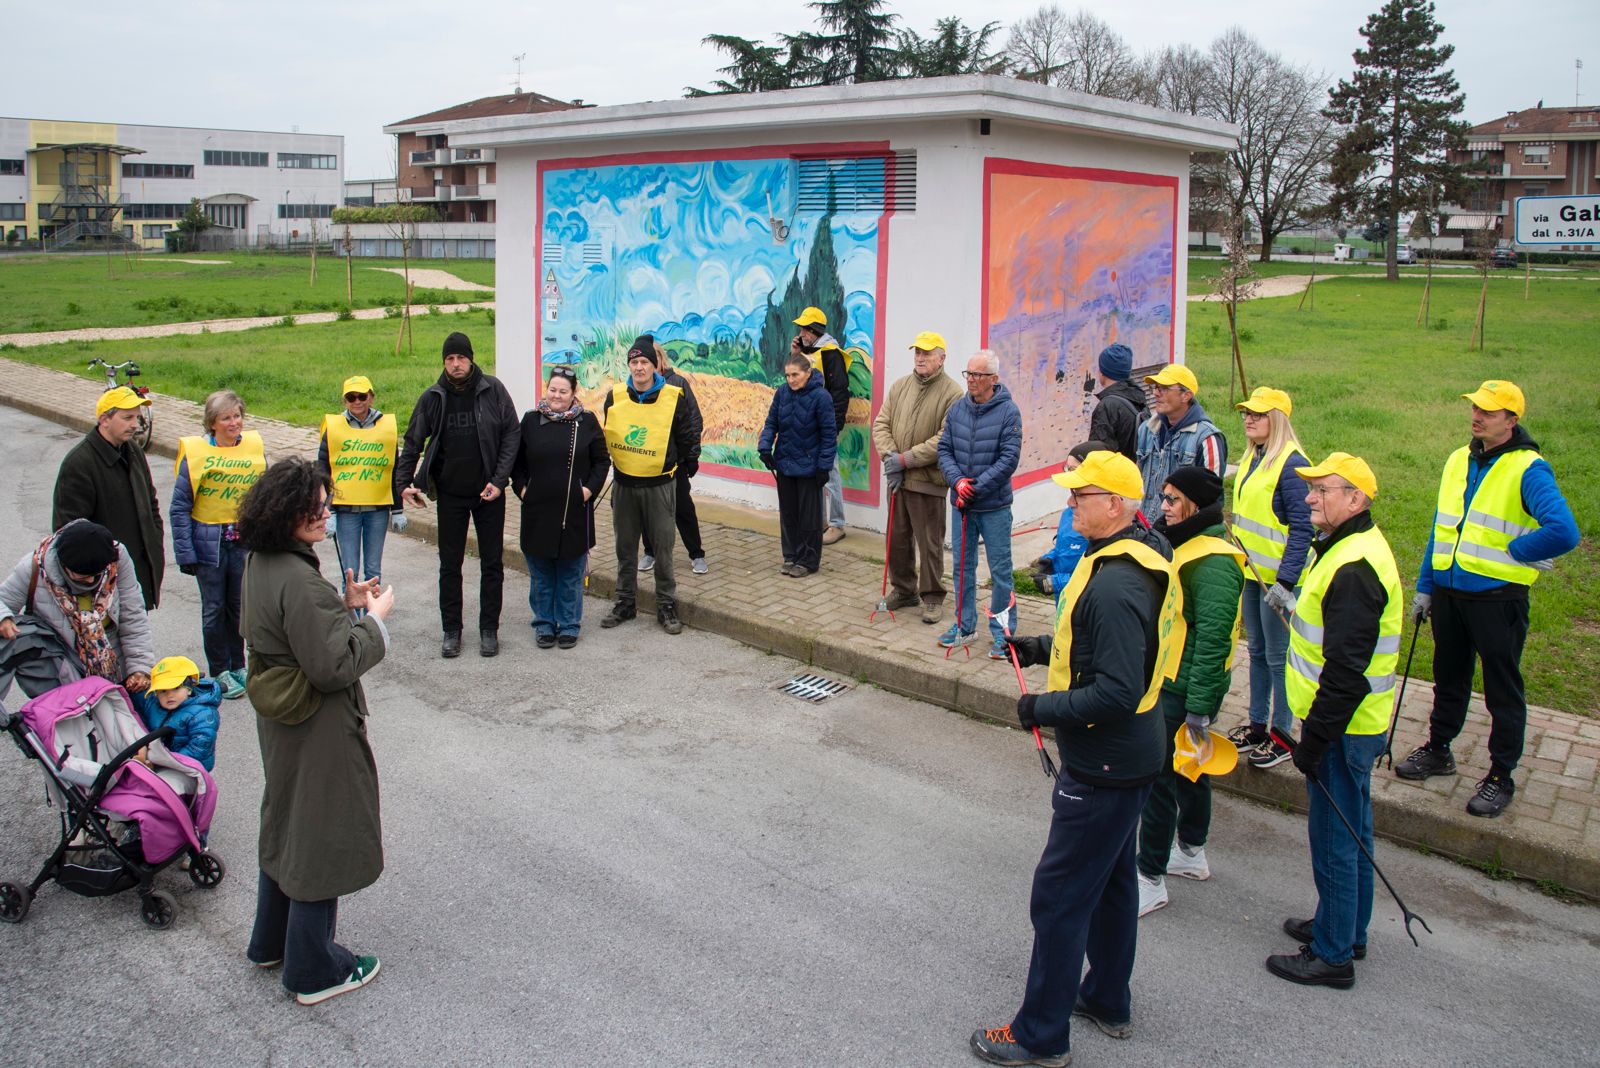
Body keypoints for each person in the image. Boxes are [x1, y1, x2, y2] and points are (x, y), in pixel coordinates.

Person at [974, 450, 1181, 1067]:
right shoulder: (1137, 552)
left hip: (1105, 764)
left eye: (1079, 497)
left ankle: (1040, 1035)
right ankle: (1106, 998)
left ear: (1114, 505)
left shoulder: (1116, 583)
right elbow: (1102, 646)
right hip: (1133, 756)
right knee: (1115, 883)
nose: (1069, 506)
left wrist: (1042, 710)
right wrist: (1038, 646)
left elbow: (1115, 690)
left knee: (1060, 897)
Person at [238, 457, 392, 1007]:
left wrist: (341, 605)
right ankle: (314, 968)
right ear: (285, 513)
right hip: (315, 722)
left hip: (281, 718)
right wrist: (373, 620)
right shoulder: (300, 578)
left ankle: (270, 942)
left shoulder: (262, 560)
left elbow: (285, 629)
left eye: (324, 506)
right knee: (319, 830)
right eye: (314, 508)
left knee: (285, 818)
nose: (323, 515)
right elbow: (331, 666)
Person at [1395, 381, 1579, 818]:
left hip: (1498, 600)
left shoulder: (1528, 468)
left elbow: (1564, 531)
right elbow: (1443, 528)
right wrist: (1426, 585)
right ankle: (1439, 749)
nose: (1477, 416)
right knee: (1449, 677)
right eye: (1476, 407)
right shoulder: (1459, 459)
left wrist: (1518, 551)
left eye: (1490, 411)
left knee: (1502, 689)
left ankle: (1501, 775)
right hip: (1450, 594)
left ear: (1511, 420)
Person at [1266, 452, 1401, 990]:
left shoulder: (1354, 567)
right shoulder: (1347, 547)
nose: (1310, 497)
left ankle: (1332, 954)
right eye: (1311, 489)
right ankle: (1345, 928)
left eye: (1323, 489)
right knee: (1355, 830)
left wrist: (1313, 740)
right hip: (1354, 724)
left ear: (1357, 499)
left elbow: (1346, 670)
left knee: (1335, 838)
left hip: (1343, 728)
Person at [1137, 466, 1244, 917]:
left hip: (1183, 688)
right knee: (1188, 768)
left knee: (1159, 779)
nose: (1163, 507)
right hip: (1173, 680)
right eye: (1163, 497)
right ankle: (1192, 852)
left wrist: (1199, 708)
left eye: (1172, 500)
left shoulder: (1214, 561)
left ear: (1197, 506)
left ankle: (1149, 877)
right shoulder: (1185, 544)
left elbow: (1214, 641)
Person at [395, 332, 520, 658]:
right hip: (449, 494)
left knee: (492, 563)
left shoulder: (493, 390)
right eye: (449, 359)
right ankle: (452, 630)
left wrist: (499, 479)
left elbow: (512, 433)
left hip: (488, 494)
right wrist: (403, 482)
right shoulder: (433, 397)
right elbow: (412, 441)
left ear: (471, 358)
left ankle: (488, 630)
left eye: (460, 358)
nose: (455, 364)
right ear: (444, 362)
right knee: (449, 565)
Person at [1228, 387, 1313, 769]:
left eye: (1258, 415)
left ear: (1277, 420)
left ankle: (1283, 733)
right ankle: (1258, 724)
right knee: (1257, 651)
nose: (1249, 419)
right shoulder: (1253, 457)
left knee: (1279, 658)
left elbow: (1303, 528)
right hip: (1251, 574)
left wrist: (1287, 583)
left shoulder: (1291, 465)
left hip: (1277, 582)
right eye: (1247, 413)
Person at [171, 390, 265, 700]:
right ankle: (219, 669)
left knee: (239, 607)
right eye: (226, 417)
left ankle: (238, 664)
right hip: (208, 546)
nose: (233, 422)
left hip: (242, 544)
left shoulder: (252, 449)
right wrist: (186, 553)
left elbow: (265, 497)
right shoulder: (196, 455)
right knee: (214, 609)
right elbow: (180, 507)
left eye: (237, 415)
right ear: (212, 422)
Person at [600, 337, 697, 634]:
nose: (639, 367)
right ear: (628, 365)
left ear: (655, 365)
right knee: (625, 547)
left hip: (660, 486)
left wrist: (684, 465)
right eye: (634, 362)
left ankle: (666, 605)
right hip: (625, 485)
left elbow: (686, 435)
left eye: (644, 362)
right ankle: (625, 602)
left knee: (663, 549)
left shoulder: (674, 396)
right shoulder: (614, 396)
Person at [511, 366, 610, 649]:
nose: (556, 396)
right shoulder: (530, 421)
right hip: (538, 512)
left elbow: (602, 461)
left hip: (574, 513)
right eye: (552, 389)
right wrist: (522, 489)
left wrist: (588, 489)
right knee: (541, 576)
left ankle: (568, 624)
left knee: (569, 575)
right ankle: (543, 623)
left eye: (563, 391)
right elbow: (515, 462)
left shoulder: (587, 422)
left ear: (573, 393)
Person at [871, 330, 964, 624]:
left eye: (927, 353)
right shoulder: (900, 386)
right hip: (898, 479)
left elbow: (943, 439)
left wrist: (904, 460)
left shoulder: (954, 393)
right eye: (917, 352)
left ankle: (933, 597)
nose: (920, 358)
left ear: (942, 358)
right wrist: (890, 459)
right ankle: (904, 589)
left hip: (928, 482)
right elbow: (881, 424)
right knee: (897, 539)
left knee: (930, 543)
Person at [0, 519, 154, 694]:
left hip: (115, 667)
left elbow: (133, 616)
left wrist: (140, 668)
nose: (90, 581)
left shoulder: (115, 557)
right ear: (63, 565)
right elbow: (3, 602)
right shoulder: (33, 567)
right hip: (63, 674)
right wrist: (4, 617)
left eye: (96, 575)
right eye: (82, 577)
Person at [936, 349, 1022, 659]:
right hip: (962, 505)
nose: (971, 380)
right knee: (962, 567)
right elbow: (944, 449)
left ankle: (1003, 635)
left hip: (994, 506)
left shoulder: (1009, 412)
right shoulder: (958, 409)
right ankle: (964, 625)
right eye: (968, 374)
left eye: (978, 375)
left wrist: (976, 487)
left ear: (993, 379)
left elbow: (1009, 459)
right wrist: (957, 482)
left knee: (1001, 572)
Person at [52, 386, 165, 610]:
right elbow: (68, 532)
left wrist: (155, 539)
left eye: (137, 417)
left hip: (138, 571)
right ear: (104, 419)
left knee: (135, 636)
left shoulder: (133, 451)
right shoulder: (79, 464)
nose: (135, 424)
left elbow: (151, 503)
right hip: (101, 581)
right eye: (127, 418)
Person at [316, 375, 407, 588]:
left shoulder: (386, 427)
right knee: (349, 571)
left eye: (362, 396)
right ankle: (350, 619)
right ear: (344, 401)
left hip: (377, 510)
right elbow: (323, 470)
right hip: (346, 511)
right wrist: (327, 510)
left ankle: (371, 618)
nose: (357, 401)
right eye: (351, 397)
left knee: (373, 571)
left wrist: (398, 510)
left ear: (371, 397)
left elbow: (393, 470)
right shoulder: (334, 427)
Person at [757, 354, 837, 577]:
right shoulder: (782, 393)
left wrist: (824, 466)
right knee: (789, 514)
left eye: (795, 375)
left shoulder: (821, 397)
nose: (791, 380)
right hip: (785, 463)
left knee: (809, 518)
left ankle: (808, 561)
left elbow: (829, 435)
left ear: (808, 373)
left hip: (810, 468)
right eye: (787, 375)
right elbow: (771, 422)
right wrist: (765, 447)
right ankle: (790, 556)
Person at [639, 337, 707, 576]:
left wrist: (692, 455)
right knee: (647, 510)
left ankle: (696, 554)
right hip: (648, 462)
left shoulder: (677, 383)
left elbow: (693, 420)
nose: (644, 366)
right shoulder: (638, 388)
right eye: (640, 361)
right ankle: (650, 552)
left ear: (659, 359)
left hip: (674, 462)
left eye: (650, 359)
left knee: (682, 509)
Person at [791, 306, 851, 545]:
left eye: (804, 328)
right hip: (807, 425)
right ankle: (820, 522)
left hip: (824, 425)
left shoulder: (830, 353)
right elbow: (792, 379)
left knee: (831, 472)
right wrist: (795, 353)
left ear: (814, 330)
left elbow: (839, 392)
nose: (801, 331)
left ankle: (837, 524)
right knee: (813, 473)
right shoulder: (808, 352)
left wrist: (833, 426)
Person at [1135, 364, 1226, 519]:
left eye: (1164, 388)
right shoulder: (1146, 429)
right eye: (1155, 387)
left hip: (1181, 536)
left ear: (1186, 395)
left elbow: (1211, 501)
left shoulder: (1207, 438)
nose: (1156, 393)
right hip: (1144, 532)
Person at [1029, 441, 1106, 604]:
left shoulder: (1102, 521)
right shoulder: (1068, 513)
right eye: (1066, 468)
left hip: (1087, 605)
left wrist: (1055, 582)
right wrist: (1050, 559)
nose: (1067, 474)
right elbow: (1065, 546)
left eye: (1073, 469)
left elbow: (1100, 577)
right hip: (1064, 602)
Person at [131, 655, 221, 771]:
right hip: (163, 761)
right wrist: (130, 683)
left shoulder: (202, 714)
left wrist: (165, 762)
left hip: (192, 768)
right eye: (163, 691)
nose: (169, 695)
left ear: (189, 689)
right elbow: (139, 698)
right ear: (156, 694)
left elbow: (199, 748)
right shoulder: (155, 704)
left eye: (175, 688)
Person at [1086, 344, 1149, 462]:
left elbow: (1098, 456)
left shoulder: (1107, 407)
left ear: (1103, 372)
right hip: (1134, 474)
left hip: (1116, 477)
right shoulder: (1139, 397)